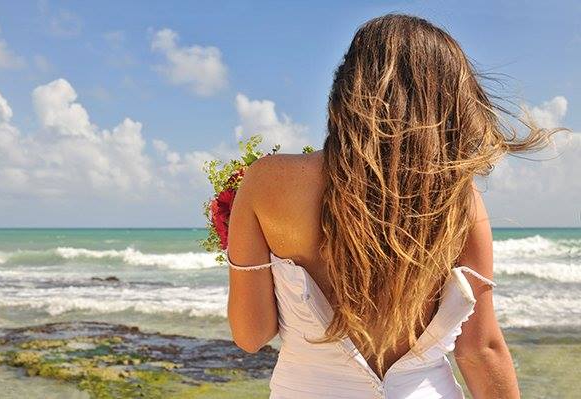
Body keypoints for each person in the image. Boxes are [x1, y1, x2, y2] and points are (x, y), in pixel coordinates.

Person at [226, 14, 560, 399]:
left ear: (347, 88)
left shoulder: (269, 182)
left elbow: (250, 334)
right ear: (448, 104)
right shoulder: (461, 203)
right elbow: (480, 350)